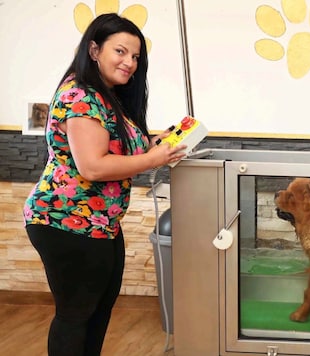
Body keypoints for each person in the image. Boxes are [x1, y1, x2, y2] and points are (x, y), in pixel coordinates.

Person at [23, 13, 186, 356]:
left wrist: (156, 144)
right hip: (64, 220)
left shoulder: (107, 96)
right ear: (94, 49)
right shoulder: (81, 95)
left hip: (100, 222)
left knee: (97, 312)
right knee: (75, 315)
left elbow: (117, 148)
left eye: (136, 56)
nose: (130, 62)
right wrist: (154, 160)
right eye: (121, 52)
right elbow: (93, 166)